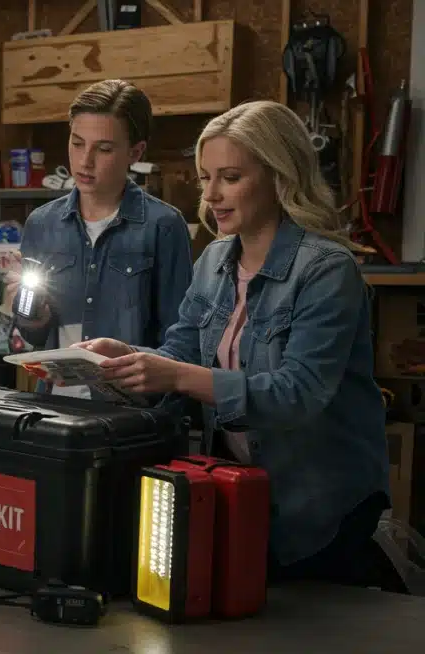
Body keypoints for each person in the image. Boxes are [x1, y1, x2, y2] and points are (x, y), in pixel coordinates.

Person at [77, 100, 399, 589]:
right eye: (205, 178)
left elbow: (298, 393)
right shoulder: (215, 260)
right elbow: (180, 351)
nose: (212, 196)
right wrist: (126, 359)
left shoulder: (326, 270)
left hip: (319, 504)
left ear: (279, 175)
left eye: (230, 177)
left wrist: (177, 376)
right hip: (241, 492)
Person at [7, 79, 193, 399]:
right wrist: (32, 318)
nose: (85, 161)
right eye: (77, 143)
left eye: (103, 148)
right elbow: (33, 337)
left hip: (130, 414)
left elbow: (181, 345)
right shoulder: (42, 224)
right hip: (55, 406)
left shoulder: (163, 226)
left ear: (135, 152)